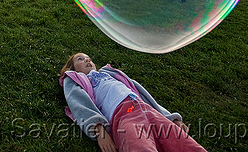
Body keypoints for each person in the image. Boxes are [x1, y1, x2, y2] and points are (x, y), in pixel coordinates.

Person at [59, 53, 207, 152]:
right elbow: (79, 104)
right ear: (72, 68)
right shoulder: (75, 80)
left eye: (89, 58)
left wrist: (171, 118)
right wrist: (99, 130)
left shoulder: (109, 73)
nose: (87, 60)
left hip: (147, 110)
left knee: (187, 145)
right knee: (140, 147)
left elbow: (144, 95)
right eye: (80, 59)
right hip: (124, 116)